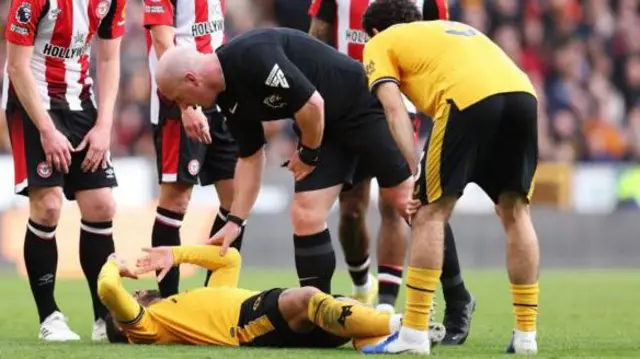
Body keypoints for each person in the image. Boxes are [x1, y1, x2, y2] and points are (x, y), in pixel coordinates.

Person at [153, 28, 417, 296]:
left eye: (178, 98)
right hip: (327, 129)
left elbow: (313, 105)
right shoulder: (225, 93)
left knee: (407, 202)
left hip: (361, 106)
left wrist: (308, 154)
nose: (183, 106)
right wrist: (235, 221)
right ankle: (317, 313)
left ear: (191, 79)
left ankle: (454, 302)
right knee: (305, 213)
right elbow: (251, 157)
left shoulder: (251, 56)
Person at [360, 0, 540, 355]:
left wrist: (413, 171)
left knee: (429, 212)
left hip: (468, 98)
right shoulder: (452, 29)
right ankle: (526, 337)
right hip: (523, 95)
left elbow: (394, 108)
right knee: (516, 213)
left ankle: (413, 335)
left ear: (376, 30)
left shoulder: (380, 42)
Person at [307, 0, 475, 346]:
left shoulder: (432, 3)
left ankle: (388, 302)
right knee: (352, 208)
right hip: (344, 109)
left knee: (399, 202)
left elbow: (440, 45)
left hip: (399, 105)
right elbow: (317, 37)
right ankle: (361, 284)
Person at [3, 0, 126, 341]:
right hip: (32, 103)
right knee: (49, 205)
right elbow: (16, 66)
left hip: (81, 103)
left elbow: (109, 57)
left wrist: (104, 125)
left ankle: (104, 318)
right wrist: (46, 129)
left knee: (102, 204)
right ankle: (49, 317)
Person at [98, 244, 447, 348]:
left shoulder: (191, 303)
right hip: (245, 324)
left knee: (340, 308)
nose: (138, 290)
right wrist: (116, 262)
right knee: (308, 297)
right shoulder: (150, 327)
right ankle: (406, 324)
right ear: (126, 327)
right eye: (133, 298)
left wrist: (175, 255)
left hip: (255, 314)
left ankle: (379, 339)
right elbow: (108, 289)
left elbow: (228, 258)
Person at [143, 0, 246, 298]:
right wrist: (186, 105)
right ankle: (168, 302)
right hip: (180, 99)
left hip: (218, 94)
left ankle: (215, 297)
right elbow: (162, 40)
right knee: (176, 200)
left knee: (236, 200)